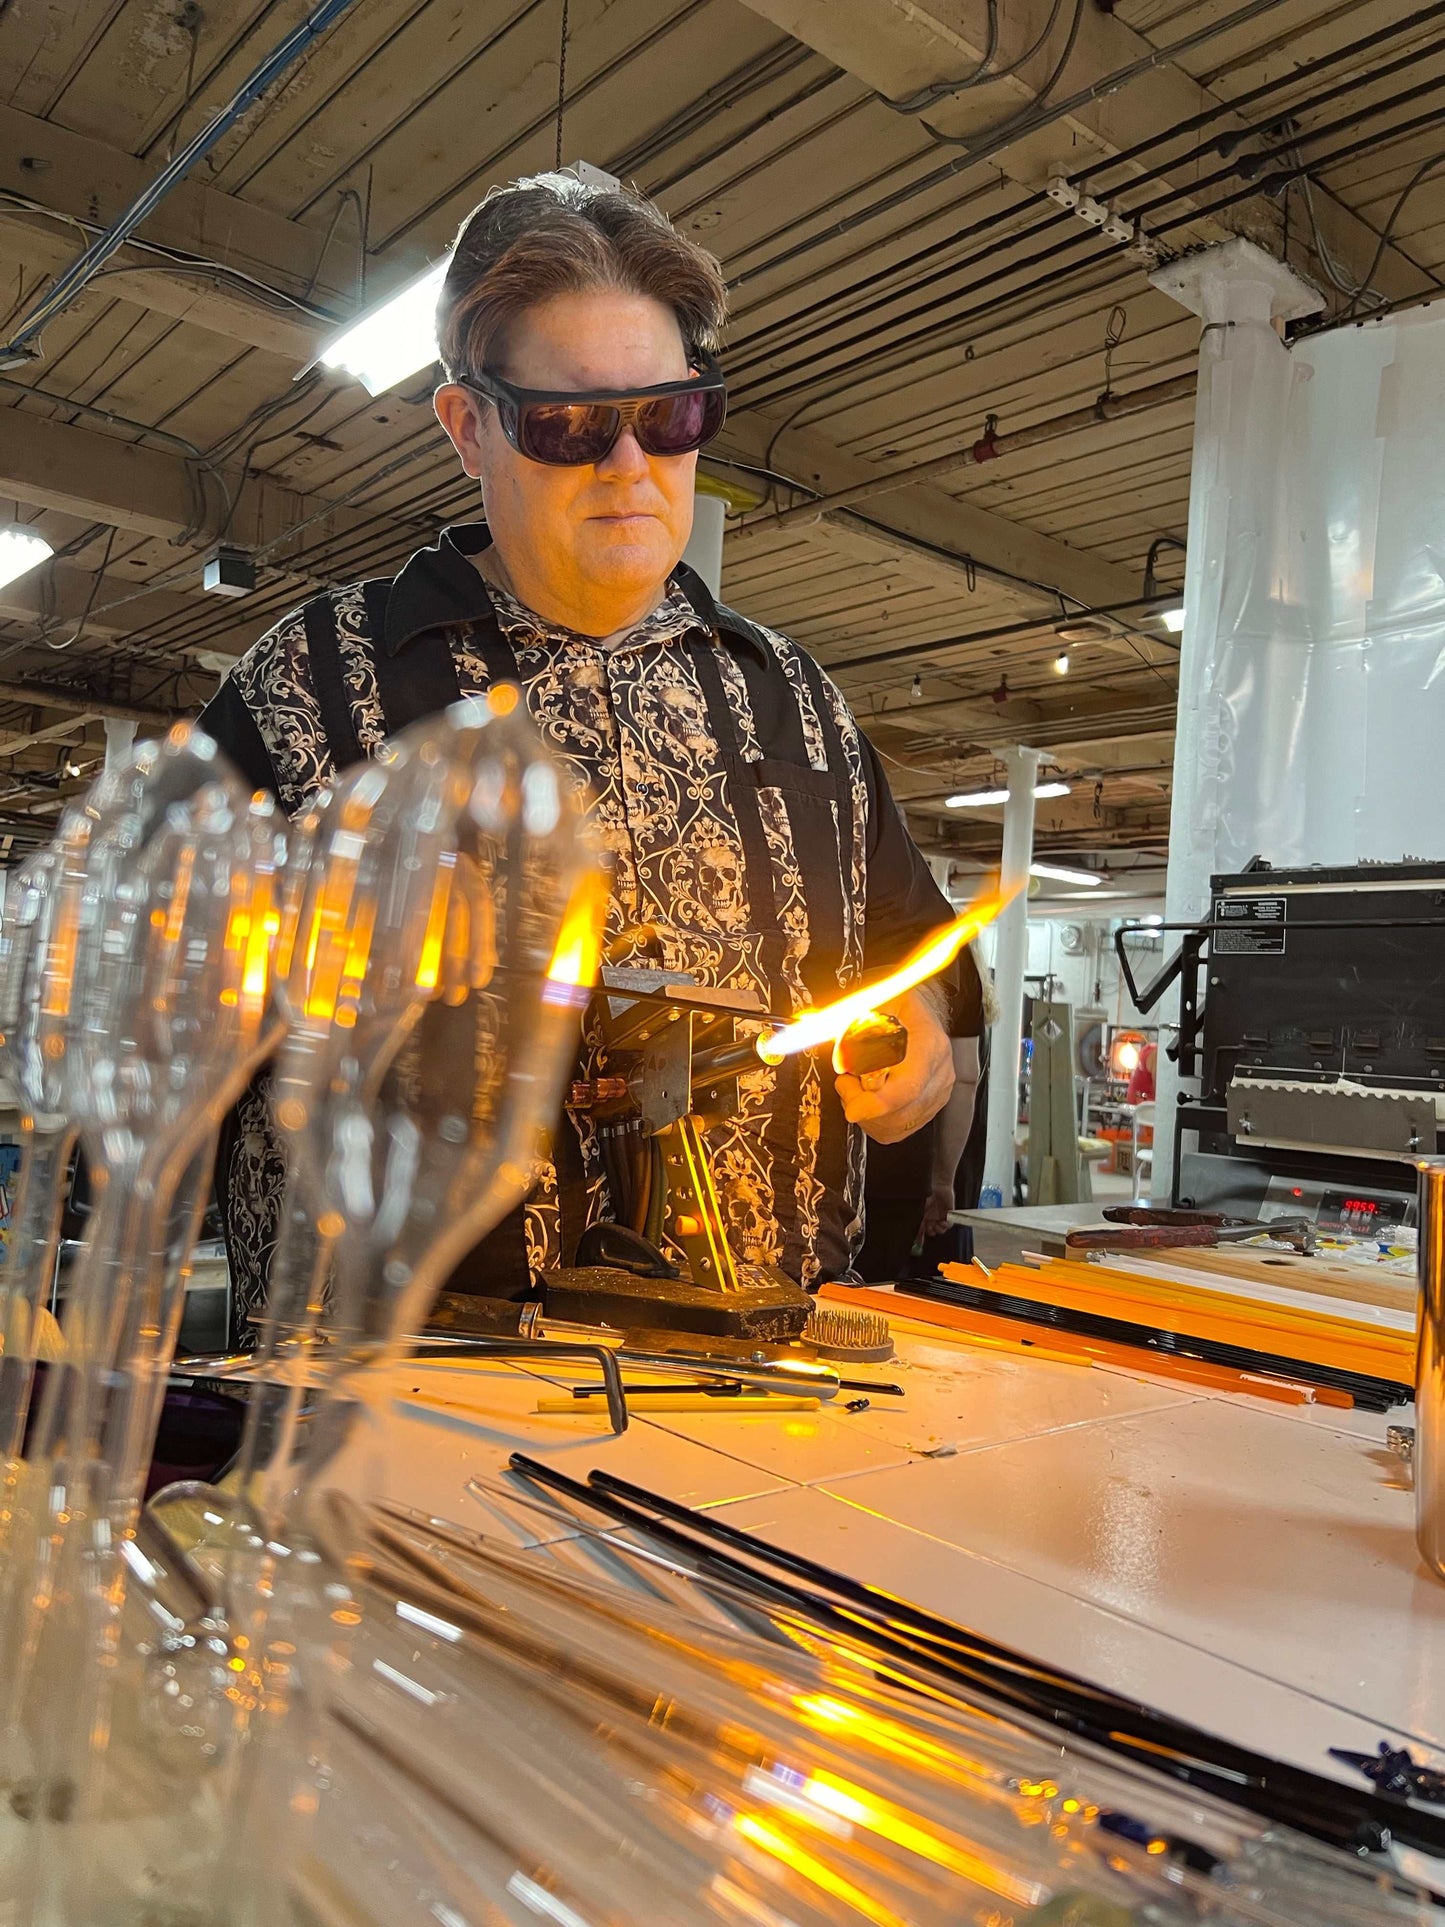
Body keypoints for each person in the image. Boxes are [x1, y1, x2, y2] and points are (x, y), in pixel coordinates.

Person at [201, 171, 957, 1342]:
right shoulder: (307, 690)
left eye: (670, 417)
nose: (629, 467)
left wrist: (922, 1039)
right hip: (395, 1405)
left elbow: (917, 958)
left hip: (767, 1398)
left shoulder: (793, 705)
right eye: (568, 426)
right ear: (468, 427)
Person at [857, 944, 983, 1282]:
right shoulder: (954, 950)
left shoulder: (840, 923)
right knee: (875, 1300)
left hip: (826, 1163)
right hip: (902, 1170)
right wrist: (943, 1180)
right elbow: (964, 1078)